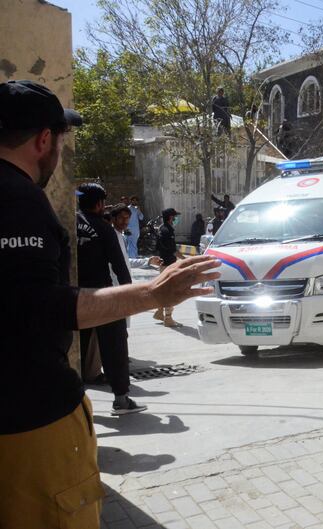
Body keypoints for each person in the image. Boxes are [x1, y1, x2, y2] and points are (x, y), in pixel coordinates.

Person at [0, 79, 220, 528]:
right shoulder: (18, 199)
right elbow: (36, 307)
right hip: (28, 418)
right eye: (61, 139)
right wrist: (153, 294)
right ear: (44, 139)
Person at [77, 183, 149, 417]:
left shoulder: (67, 223)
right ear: (99, 204)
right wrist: (130, 296)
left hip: (74, 297)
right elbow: (119, 267)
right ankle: (121, 400)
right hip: (102, 297)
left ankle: (74, 405)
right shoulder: (104, 228)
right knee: (114, 346)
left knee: (76, 349)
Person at [155, 207, 185, 327]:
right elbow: (173, 250)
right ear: (171, 217)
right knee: (171, 291)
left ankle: (159, 311)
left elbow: (157, 247)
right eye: (175, 217)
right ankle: (168, 318)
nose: (176, 219)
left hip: (163, 263)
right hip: (169, 265)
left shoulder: (161, 229)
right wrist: (186, 260)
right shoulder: (168, 231)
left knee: (163, 289)